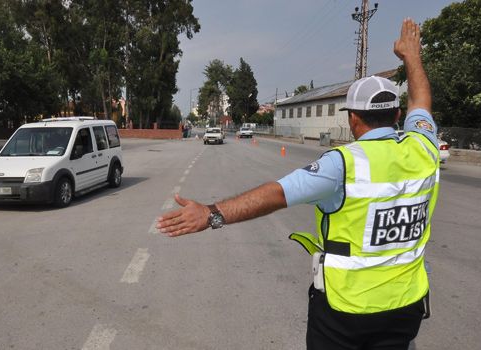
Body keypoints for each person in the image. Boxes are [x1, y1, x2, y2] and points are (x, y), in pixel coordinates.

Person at [157, 18, 439, 350]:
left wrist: (212, 213)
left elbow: (277, 194)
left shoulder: (343, 164)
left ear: (353, 118)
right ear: (396, 116)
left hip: (345, 310)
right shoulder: (425, 147)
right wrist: (412, 56)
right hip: (405, 308)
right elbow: (421, 103)